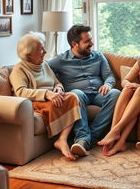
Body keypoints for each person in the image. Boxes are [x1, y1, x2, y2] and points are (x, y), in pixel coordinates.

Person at [48, 24, 120, 157]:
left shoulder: (98, 56)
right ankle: (82, 138)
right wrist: (56, 87)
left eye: (91, 39)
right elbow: (41, 69)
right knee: (76, 94)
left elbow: (109, 75)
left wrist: (108, 85)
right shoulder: (60, 60)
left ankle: (87, 140)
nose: (92, 43)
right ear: (74, 44)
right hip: (79, 95)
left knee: (116, 93)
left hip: (99, 93)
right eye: (87, 41)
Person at [9, 32, 81, 161]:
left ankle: (62, 139)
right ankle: (61, 141)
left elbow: (56, 82)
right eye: (41, 49)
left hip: (53, 97)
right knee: (56, 103)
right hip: (34, 101)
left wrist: (58, 89)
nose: (45, 51)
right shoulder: (19, 69)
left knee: (74, 97)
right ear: (29, 53)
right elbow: (20, 91)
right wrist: (47, 94)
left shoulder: (44, 65)